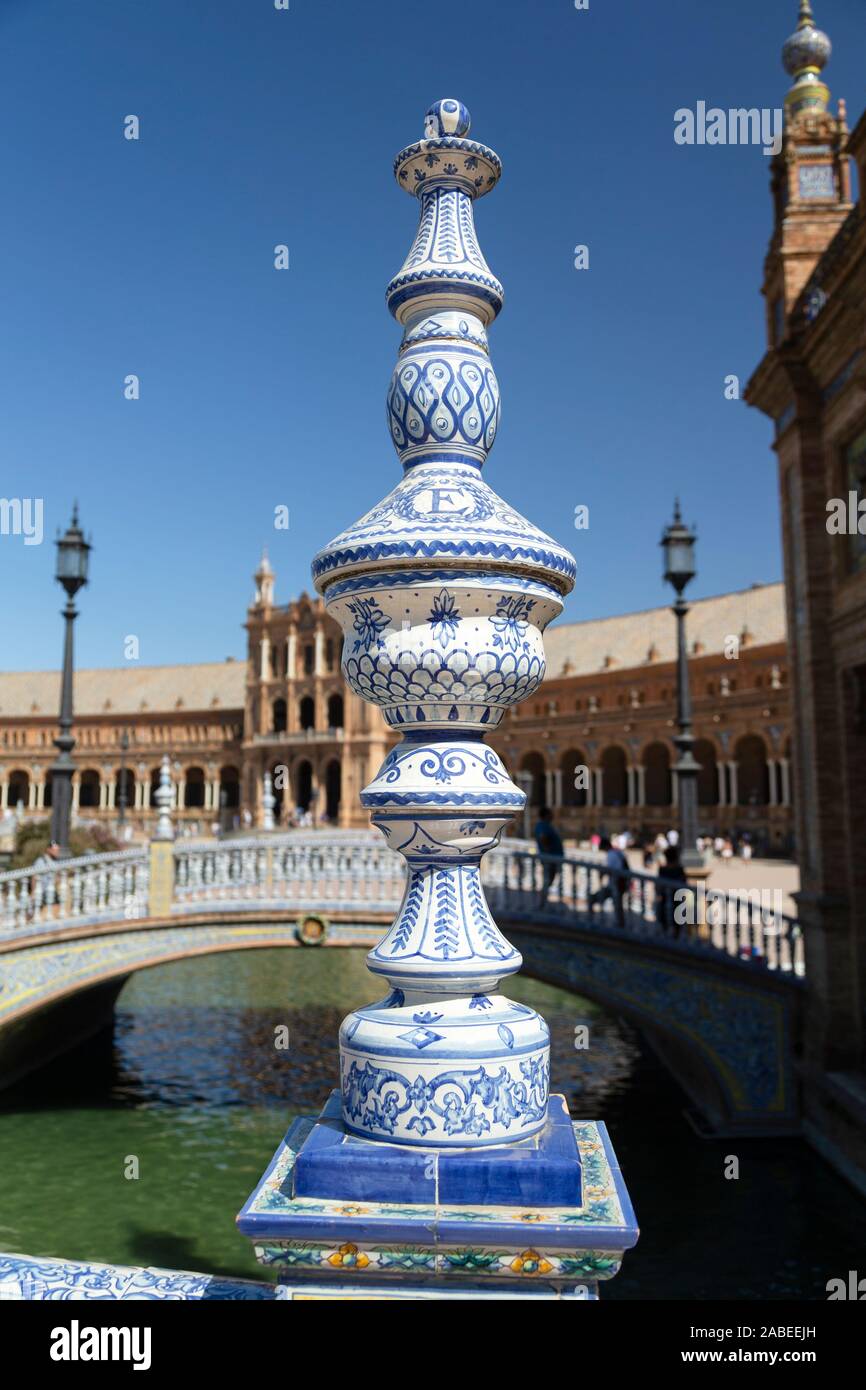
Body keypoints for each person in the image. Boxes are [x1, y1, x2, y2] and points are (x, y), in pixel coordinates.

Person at [534, 805, 564, 907]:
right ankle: (541, 902)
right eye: (551, 813)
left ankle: (542, 901)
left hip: (552, 858)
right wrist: (548, 851)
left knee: (549, 880)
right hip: (550, 858)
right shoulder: (542, 825)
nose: (553, 815)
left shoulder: (546, 825)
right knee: (547, 880)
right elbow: (543, 837)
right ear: (546, 815)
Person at [656, 844, 689, 937]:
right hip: (675, 899)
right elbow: (684, 883)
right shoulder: (679, 869)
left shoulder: (662, 869)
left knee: (665, 917)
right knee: (676, 919)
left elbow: (658, 884)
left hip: (666, 898)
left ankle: (667, 933)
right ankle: (674, 935)